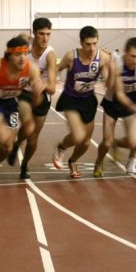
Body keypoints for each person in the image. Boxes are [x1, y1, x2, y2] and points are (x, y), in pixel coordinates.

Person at [0, 36, 43, 184]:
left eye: (25, 54)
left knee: (8, 146)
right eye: (18, 54)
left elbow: (37, 100)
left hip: (11, 104)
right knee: (2, 136)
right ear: (9, 55)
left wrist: (38, 93)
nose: (22, 58)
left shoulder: (31, 68)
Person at [53, 26, 112, 178]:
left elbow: (108, 81)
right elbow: (55, 69)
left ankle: (73, 161)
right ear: (81, 42)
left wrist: (113, 65)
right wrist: (51, 80)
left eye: (94, 44)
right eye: (88, 44)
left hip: (88, 100)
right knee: (78, 135)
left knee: (85, 143)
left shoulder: (103, 57)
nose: (92, 48)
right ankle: (61, 147)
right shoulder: (70, 57)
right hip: (71, 99)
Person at [95, 37, 136, 175]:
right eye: (132, 56)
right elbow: (119, 94)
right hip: (113, 102)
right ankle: (99, 162)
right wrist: (135, 108)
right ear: (125, 52)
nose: (135, 60)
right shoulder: (117, 64)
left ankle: (121, 148)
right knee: (106, 142)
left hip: (133, 100)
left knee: (133, 141)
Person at [8, 18, 57, 179]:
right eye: (41, 34)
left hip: (42, 95)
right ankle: (16, 145)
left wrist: (40, 85)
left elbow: (52, 87)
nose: (45, 38)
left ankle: (24, 163)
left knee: (33, 138)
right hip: (23, 93)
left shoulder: (49, 54)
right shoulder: (24, 46)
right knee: (28, 127)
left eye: (48, 34)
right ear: (34, 33)